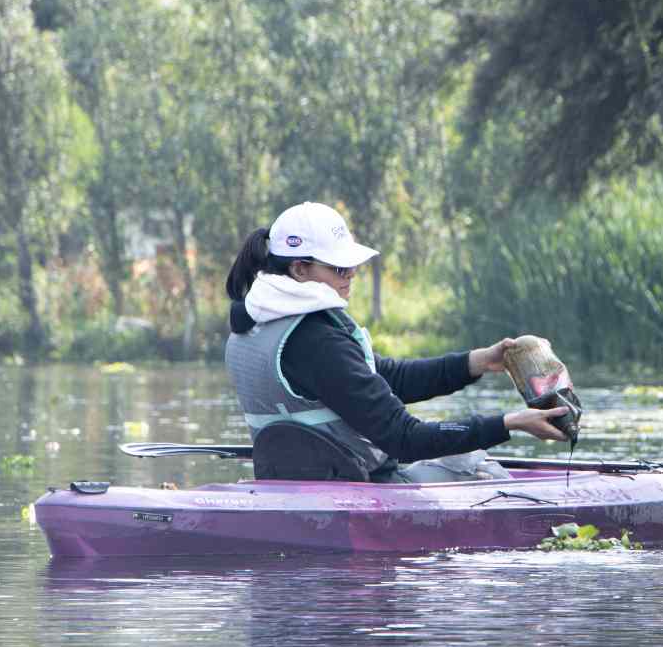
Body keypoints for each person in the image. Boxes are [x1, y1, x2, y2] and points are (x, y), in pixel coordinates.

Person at [224, 201, 568, 483]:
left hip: (287, 487)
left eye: (352, 266)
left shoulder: (251, 326)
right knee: (475, 465)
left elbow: (384, 377)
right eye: (340, 268)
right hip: (358, 488)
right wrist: (508, 423)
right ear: (299, 269)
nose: (352, 275)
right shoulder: (316, 340)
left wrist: (476, 362)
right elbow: (405, 438)